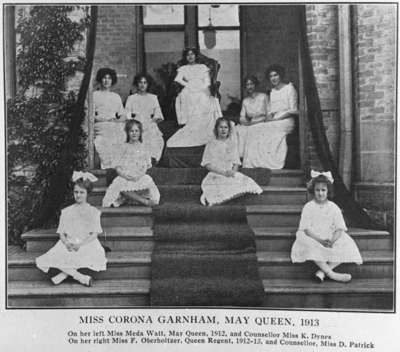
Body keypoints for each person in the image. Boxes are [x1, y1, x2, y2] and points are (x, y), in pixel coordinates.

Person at [36, 171, 107, 286]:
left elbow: (94, 234)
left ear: (87, 194)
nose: (78, 195)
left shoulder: (93, 212)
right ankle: (81, 277)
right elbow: (61, 233)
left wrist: (81, 244)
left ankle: (63, 275)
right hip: (69, 241)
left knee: (90, 253)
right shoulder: (66, 211)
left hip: (87, 242)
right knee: (54, 255)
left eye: (82, 192)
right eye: (76, 192)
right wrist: (66, 243)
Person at [291, 171, 363, 283]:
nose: (320, 193)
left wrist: (332, 241)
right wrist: (320, 241)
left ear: (328, 191)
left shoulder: (333, 207)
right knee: (309, 244)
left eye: (323, 190)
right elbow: (306, 229)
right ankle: (332, 274)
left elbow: (339, 228)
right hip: (313, 235)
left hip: (329, 235)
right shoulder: (308, 207)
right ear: (313, 191)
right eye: (317, 190)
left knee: (346, 243)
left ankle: (322, 272)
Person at [241, 65, 298, 169]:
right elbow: (271, 111)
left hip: (286, 121)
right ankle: (254, 164)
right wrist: (270, 117)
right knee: (253, 129)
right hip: (274, 121)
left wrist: (277, 119)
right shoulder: (272, 92)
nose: (273, 78)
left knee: (260, 129)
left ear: (281, 75)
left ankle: (271, 163)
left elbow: (293, 110)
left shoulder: (289, 88)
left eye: (276, 75)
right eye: (271, 76)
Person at [166, 47, 222, 148]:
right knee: (185, 97)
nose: (190, 56)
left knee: (205, 99)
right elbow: (178, 79)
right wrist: (188, 84)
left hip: (201, 87)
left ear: (196, 56)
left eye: (192, 54)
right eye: (188, 55)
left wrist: (204, 88)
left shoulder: (202, 67)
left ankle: (203, 126)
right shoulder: (183, 68)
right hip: (189, 88)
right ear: (186, 57)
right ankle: (193, 125)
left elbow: (207, 81)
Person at [200, 117, 263, 206]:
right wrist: (223, 172)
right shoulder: (211, 144)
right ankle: (211, 197)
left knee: (247, 184)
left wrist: (233, 171)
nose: (223, 130)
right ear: (216, 129)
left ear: (229, 130)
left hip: (229, 173)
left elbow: (236, 162)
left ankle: (219, 198)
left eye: (226, 127)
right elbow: (207, 164)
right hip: (216, 173)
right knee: (220, 186)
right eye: (221, 127)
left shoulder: (232, 144)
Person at [102, 120, 160, 207]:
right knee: (119, 184)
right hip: (125, 176)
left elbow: (145, 166)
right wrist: (125, 175)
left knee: (147, 182)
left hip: (139, 176)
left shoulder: (143, 147)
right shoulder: (122, 147)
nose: (134, 133)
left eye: (136, 131)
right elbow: (117, 167)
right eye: (131, 131)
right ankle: (144, 201)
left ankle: (130, 198)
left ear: (140, 132)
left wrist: (138, 176)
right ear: (127, 132)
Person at [125, 73, 164, 163]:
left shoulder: (153, 98)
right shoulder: (131, 98)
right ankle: (141, 159)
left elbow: (158, 114)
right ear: (137, 84)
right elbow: (127, 115)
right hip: (136, 124)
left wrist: (151, 122)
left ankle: (152, 158)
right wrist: (135, 123)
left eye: (145, 83)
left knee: (157, 138)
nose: (142, 85)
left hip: (150, 123)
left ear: (148, 84)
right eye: (140, 82)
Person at [92, 67, 127, 169]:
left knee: (122, 133)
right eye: (104, 78)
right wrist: (101, 119)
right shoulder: (94, 95)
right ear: (100, 79)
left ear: (112, 80)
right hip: (100, 124)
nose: (107, 80)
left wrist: (117, 120)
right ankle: (108, 165)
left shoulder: (116, 96)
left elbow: (123, 115)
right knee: (105, 137)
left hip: (114, 124)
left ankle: (119, 165)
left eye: (109, 78)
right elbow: (90, 115)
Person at [236, 75, 268, 158]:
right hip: (250, 123)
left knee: (253, 131)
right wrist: (245, 121)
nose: (249, 86)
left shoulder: (264, 97)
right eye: (247, 85)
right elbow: (242, 117)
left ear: (255, 85)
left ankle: (254, 157)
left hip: (263, 122)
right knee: (239, 130)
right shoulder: (245, 101)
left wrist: (257, 121)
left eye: (251, 84)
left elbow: (269, 114)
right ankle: (241, 157)